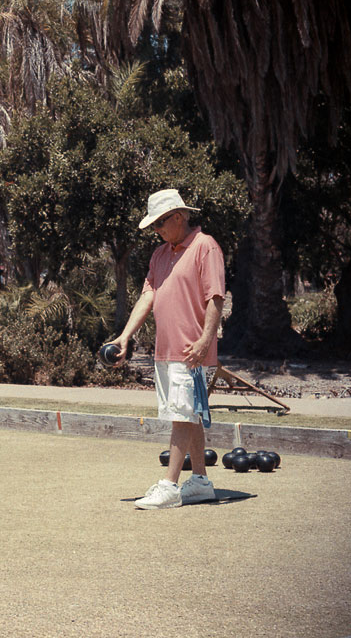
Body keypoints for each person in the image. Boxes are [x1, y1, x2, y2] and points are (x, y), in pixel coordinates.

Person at [107, 189, 225, 509]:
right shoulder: (160, 255)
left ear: (178, 216)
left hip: (193, 352)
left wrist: (204, 340)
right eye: (154, 225)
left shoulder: (206, 246)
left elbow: (216, 298)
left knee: (181, 415)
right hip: (166, 350)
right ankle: (200, 481)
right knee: (190, 414)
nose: (157, 230)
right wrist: (125, 336)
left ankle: (170, 485)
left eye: (160, 223)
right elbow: (148, 297)